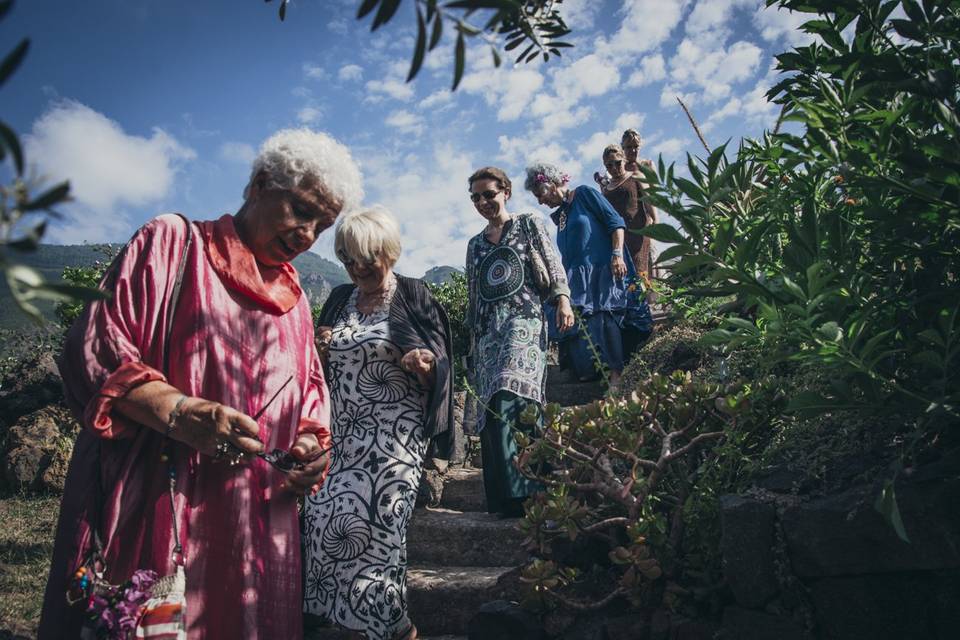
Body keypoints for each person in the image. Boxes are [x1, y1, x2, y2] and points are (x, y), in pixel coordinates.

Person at [39, 128, 363, 640]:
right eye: (301, 210)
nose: (307, 234)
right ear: (259, 185)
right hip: (159, 498)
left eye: (322, 225)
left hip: (257, 518)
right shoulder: (173, 243)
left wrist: (308, 445)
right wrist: (177, 409)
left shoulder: (296, 302)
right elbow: (96, 344)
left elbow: (311, 394)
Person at [303, 207, 454, 640]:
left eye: (364, 256)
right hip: (343, 434)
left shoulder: (412, 293)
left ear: (386, 251)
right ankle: (350, 621)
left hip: (395, 434)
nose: (356, 267)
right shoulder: (337, 298)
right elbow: (315, 366)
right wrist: (321, 346)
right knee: (321, 512)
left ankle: (395, 628)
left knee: (381, 518)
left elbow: (438, 356)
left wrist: (422, 364)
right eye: (347, 258)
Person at [465, 166, 574, 518]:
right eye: (476, 197)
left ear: (506, 191)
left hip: (524, 322)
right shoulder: (475, 245)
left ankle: (531, 490)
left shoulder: (529, 223)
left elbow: (553, 263)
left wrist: (562, 299)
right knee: (494, 405)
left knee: (518, 397)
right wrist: (473, 340)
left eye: (489, 194)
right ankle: (503, 497)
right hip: (487, 333)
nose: (483, 201)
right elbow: (473, 294)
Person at [525, 162, 650, 386]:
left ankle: (616, 374)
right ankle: (588, 370)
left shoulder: (584, 194)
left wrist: (616, 254)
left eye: (540, 194)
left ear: (553, 183)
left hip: (603, 267)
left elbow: (616, 223)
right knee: (564, 317)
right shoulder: (562, 215)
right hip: (577, 278)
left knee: (604, 314)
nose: (540, 201)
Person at [601, 144, 655, 292]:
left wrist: (656, 223)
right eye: (609, 165)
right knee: (625, 280)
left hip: (638, 235)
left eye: (617, 163)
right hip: (619, 240)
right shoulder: (606, 189)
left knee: (640, 276)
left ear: (624, 160)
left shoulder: (636, 177)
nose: (614, 168)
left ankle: (645, 310)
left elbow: (650, 202)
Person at [621, 129, 660, 298]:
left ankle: (657, 297)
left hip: (647, 218)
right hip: (630, 222)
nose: (632, 151)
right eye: (629, 147)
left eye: (635, 146)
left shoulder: (647, 165)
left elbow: (654, 194)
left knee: (651, 256)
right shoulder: (620, 167)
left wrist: (654, 219)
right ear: (623, 147)